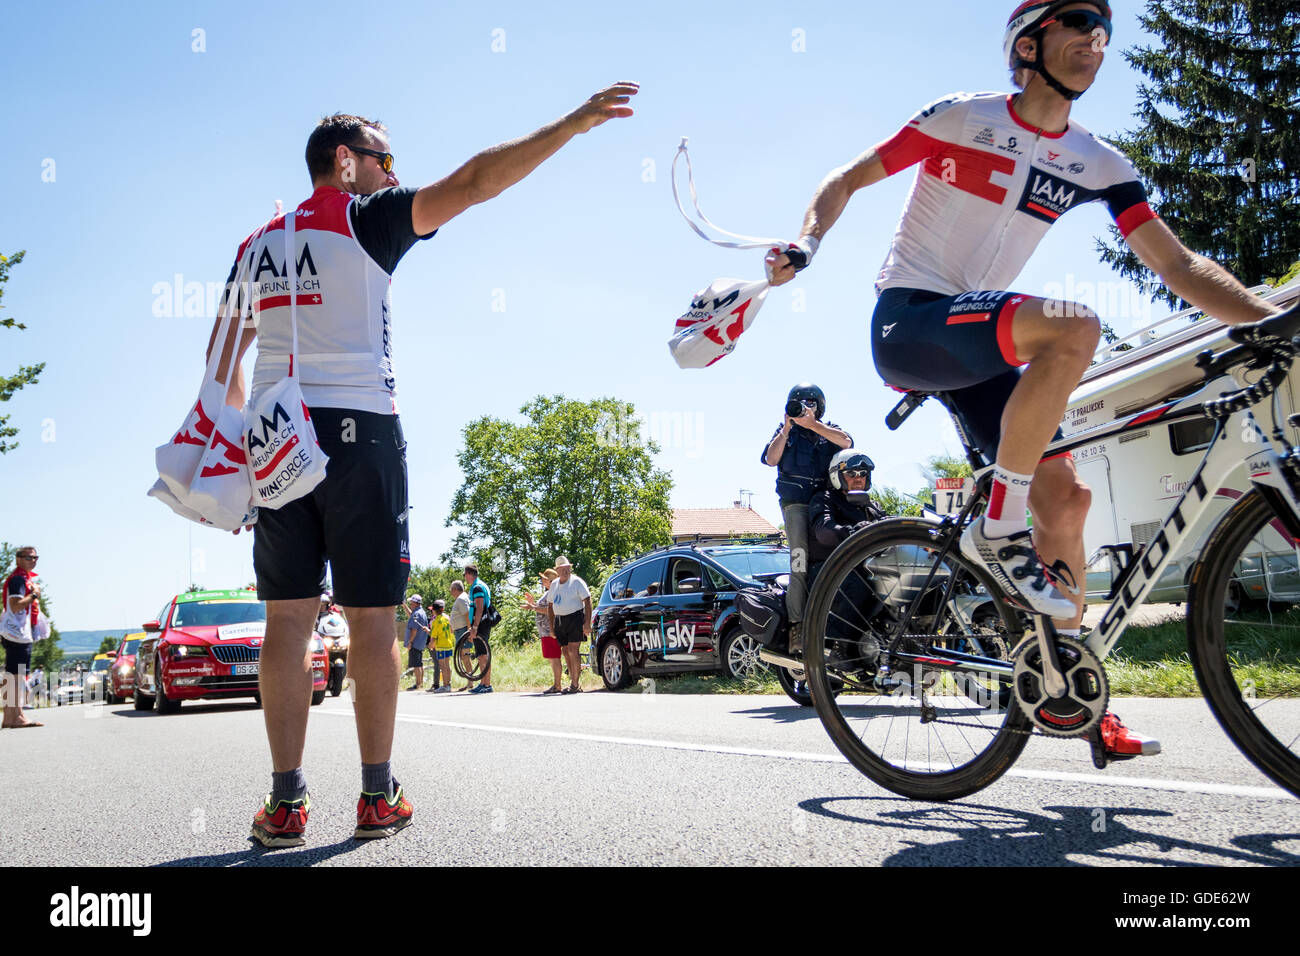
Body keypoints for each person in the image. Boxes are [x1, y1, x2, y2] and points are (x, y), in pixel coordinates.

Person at [764, 1, 1282, 759]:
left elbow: (1177, 267)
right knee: (1075, 326)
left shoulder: (1099, 162)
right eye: (1078, 27)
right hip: (911, 323)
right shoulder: (962, 116)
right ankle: (998, 527)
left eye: (1104, 35)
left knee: (1067, 499)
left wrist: (1267, 320)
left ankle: (1066, 685)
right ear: (1029, 45)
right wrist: (806, 241)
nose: (1094, 44)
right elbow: (847, 178)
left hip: (982, 350)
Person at [205, 83, 639, 847]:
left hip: (276, 443)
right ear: (345, 162)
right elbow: (473, 184)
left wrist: (247, 438)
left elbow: (221, 356)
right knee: (372, 618)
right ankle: (376, 796)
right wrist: (570, 123)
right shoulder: (366, 216)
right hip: (360, 433)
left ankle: (284, 804)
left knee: (287, 621)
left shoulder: (255, 244)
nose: (391, 172)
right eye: (383, 157)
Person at [760, 384, 852, 654]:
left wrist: (814, 426)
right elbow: (770, 459)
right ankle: (797, 627)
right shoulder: (784, 434)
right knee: (799, 561)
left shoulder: (828, 430)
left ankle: (836, 623)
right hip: (796, 505)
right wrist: (787, 427)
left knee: (834, 560)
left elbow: (847, 442)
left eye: (809, 404)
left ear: (819, 406)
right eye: (798, 404)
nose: (804, 409)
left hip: (825, 503)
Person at [808, 450, 885, 582]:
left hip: (867, 566)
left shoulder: (872, 506)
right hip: (830, 571)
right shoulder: (824, 499)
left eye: (863, 473)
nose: (858, 478)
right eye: (851, 473)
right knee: (858, 585)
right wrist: (853, 532)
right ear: (836, 476)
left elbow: (886, 524)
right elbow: (824, 531)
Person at [2, 547, 43, 729]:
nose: (33, 560)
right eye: (28, 557)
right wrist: (34, 595)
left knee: (12, 674)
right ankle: (17, 716)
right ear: (18, 559)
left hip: (14, 632)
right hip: (17, 633)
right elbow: (16, 605)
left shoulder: (20, 578)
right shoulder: (18, 579)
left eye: (35, 557)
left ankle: (10, 717)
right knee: (17, 675)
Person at [547, 556, 592, 694]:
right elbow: (550, 605)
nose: (566, 571)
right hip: (560, 620)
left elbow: (587, 601)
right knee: (566, 651)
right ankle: (573, 681)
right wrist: (552, 627)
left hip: (575, 618)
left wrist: (587, 623)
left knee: (573, 650)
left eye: (568, 568)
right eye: (563, 569)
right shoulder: (554, 584)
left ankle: (575, 684)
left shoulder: (577, 582)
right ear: (557, 570)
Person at [524, 569, 562, 694]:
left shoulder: (553, 592)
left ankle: (557, 685)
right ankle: (556, 684)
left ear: (550, 581)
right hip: (545, 631)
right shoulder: (549, 592)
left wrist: (533, 607)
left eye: (544, 579)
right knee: (552, 658)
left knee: (554, 657)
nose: (542, 581)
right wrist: (533, 604)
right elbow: (543, 608)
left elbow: (551, 610)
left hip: (549, 630)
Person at [464, 565, 494, 694]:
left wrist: (474, 627)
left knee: (483, 655)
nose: (464, 577)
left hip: (481, 624)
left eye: (464, 574)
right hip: (481, 623)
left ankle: (486, 684)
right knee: (482, 654)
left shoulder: (477, 587)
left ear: (470, 574)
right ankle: (483, 683)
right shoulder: (481, 584)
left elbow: (480, 607)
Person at [447, 581, 474, 691]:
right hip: (460, 631)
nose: (450, 592)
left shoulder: (462, 598)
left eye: (451, 589)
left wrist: (469, 630)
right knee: (463, 657)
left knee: (465, 656)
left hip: (463, 630)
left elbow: (467, 614)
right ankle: (469, 681)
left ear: (456, 589)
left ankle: (470, 681)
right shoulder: (461, 598)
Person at [425, 600, 454, 694]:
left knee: (443, 666)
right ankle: (448, 684)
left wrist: (431, 645)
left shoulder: (435, 621)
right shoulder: (447, 617)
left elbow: (434, 637)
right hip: (448, 644)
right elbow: (451, 630)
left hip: (441, 646)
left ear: (433, 610)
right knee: (447, 666)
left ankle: (445, 686)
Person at [403, 595, 429, 691]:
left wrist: (410, 642)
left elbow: (414, 630)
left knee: (416, 665)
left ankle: (418, 684)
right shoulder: (420, 612)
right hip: (420, 643)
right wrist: (404, 605)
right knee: (419, 664)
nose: (410, 604)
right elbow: (410, 614)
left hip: (415, 643)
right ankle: (420, 683)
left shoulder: (416, 614)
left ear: (415, 603)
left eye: (411, 602)